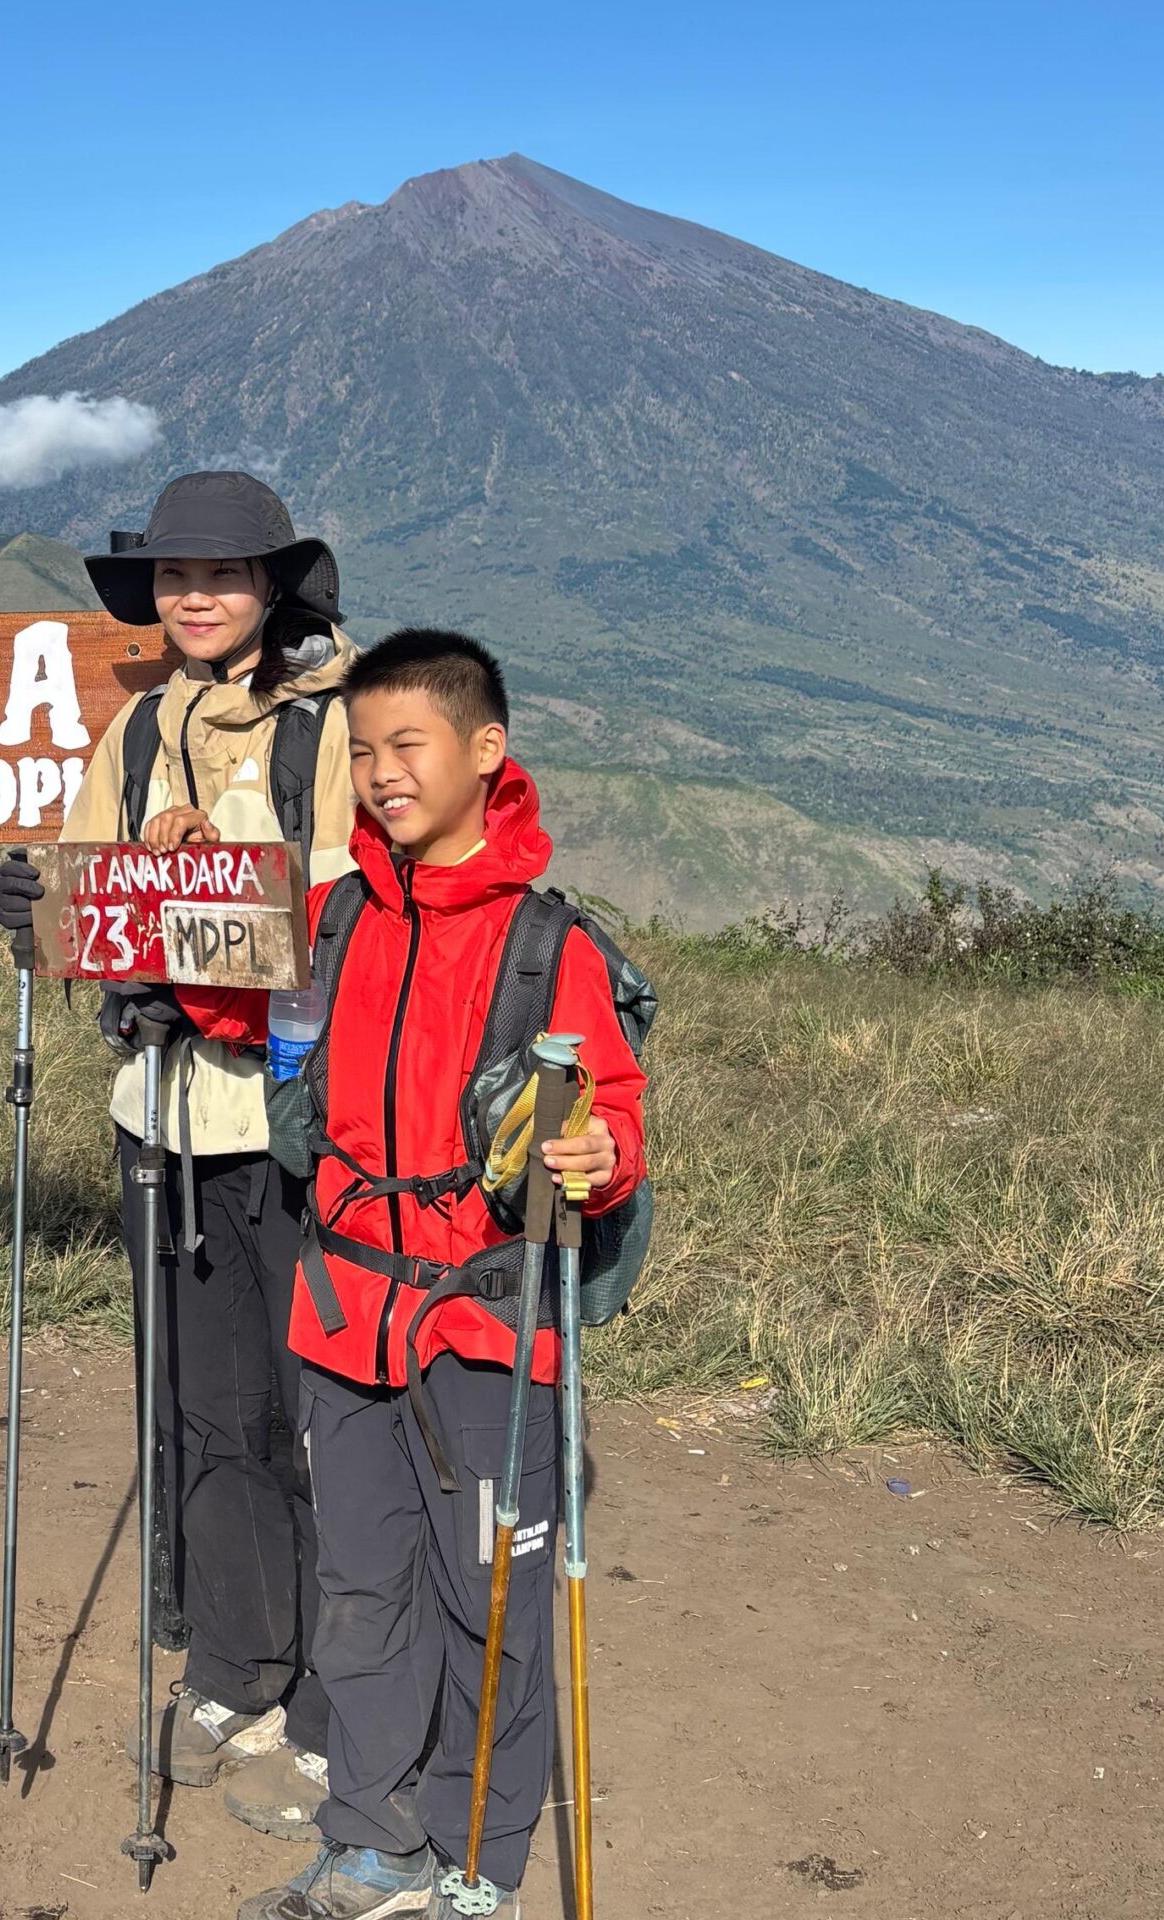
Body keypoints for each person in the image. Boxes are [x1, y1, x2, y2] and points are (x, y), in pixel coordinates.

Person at [240, 629, 647, 1920]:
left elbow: (614, 1118)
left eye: (405, 745)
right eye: (361, 751)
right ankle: (373, 1841)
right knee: (360, 1589)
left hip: (486, 1338)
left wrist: (598, 1153)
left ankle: (482, 1861)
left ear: (486, 751)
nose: (378, 772)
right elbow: (234, 1007)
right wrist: (79, 923)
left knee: (492, 1604)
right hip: (347, 1315)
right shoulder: (338, 917)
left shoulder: (550, 945)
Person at [0, 472, 361, 1836]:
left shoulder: (331, 730)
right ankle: (237, 1661)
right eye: (175, 573)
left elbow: (346, 916)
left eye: (226, 571)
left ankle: (336, 1697)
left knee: (327, 1417)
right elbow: (92, 912)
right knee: (209, 1409)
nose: (196, 593)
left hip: (301, 1129)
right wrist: (33, 910)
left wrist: (199, 953)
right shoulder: (138, 732)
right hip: (167, 1119)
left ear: (275, 587)